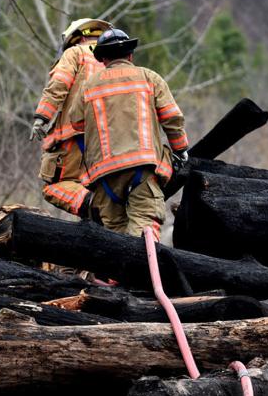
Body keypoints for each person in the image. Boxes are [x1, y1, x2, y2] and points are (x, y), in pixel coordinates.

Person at [73, 28, 189, 239]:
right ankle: (143, 271)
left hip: (104, 175)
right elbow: (172, 118)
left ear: (103, 59)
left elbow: (76, 123)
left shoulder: (87, 87)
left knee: (115, 234)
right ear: (130, 55)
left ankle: (117, 273)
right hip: (142, 169)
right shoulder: (149, 78)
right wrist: (180, 149)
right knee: (145, 224)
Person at [30, 18, 111, 217]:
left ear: (79, 37)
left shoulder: (76, 53)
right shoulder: (115, 61)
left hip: (75, 137)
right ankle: (100, 215)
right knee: (97, 185)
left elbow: (59, 85)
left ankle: (93, 207)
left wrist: (42, 117)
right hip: (111, 141)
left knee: (56, 187)